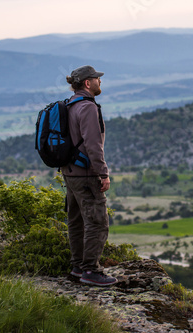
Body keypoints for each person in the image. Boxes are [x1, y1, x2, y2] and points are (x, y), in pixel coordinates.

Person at [62, 65, 116, 286]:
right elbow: (93, 145)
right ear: (87, 83)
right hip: (85, 174)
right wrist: (103, 173)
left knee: (75, 221)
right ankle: (90, 271)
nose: (99, 81)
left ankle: (77, 267)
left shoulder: (69, 106)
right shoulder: (88, 108)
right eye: (96, 79)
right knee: (97, 222)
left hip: (70, 173)